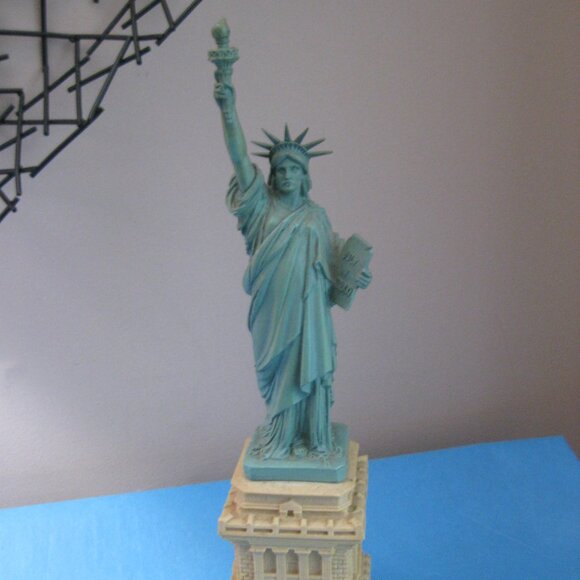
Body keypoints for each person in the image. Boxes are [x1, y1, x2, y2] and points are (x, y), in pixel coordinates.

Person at [214, 79, 371, 460]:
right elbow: (239, 158)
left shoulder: (316, 216)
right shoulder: (260, 207)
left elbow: (334, 258)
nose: (286, 175)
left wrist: (355, 276)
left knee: (310, 366)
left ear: (305, 176)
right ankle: (281, 438)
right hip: (272, 307)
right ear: (271, 175)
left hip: (310, 309)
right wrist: (228, 110)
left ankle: (313, 438)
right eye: (280, 169)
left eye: (293, 170)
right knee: (281, 369)